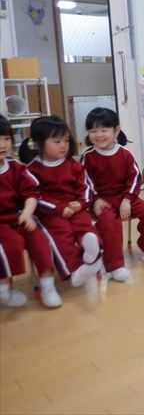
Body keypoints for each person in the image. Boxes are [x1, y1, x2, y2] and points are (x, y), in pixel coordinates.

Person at [23, 116, 103, 288]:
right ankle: (75, 269)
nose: (63, 145)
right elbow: (35, 196)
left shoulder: (73, 165)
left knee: (86, 227)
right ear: (38, 143)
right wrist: (58, 208)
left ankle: (91, 255)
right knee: (62, 235)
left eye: (66, 140)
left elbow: (86, 186)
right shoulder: (32, 169)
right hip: (50, 213)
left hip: (75, 206)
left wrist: (81, 203)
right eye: (57, 141)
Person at [81, 108, 144, 281]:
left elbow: (135, 178)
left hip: (125, 197)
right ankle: (114, 265)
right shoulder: (88, 157)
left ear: (116, 131)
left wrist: (127, 200)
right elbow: (85, 182)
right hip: (101, 201)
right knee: (110, 223)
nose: (98, 135)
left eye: (103, 130)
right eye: (93, 131)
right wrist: (95, 200)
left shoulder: (125, 154)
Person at [0, 115, 61, 308]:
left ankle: (47, 285)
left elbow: (32, 192)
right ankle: (3, 291)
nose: (3, 145)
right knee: (10, 246)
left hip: (18, 217)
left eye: (6, 138)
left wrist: (27, 213)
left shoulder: (16, 167)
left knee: (40, 239)